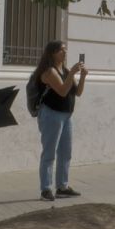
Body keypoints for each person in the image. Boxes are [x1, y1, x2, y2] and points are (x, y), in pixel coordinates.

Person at [33, 41, 86, 201]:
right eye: (61, 50)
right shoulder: (49, 71)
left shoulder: (66, 70)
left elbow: (78, 93)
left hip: (66, 115)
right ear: (52, 53)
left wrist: (83, 76)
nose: (65, 52)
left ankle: (62, 187)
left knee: (65, 153)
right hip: (51, 115)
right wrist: (72, 74)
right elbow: (62, 91)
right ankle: (45, 189)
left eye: (65, 49)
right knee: (49, 153)